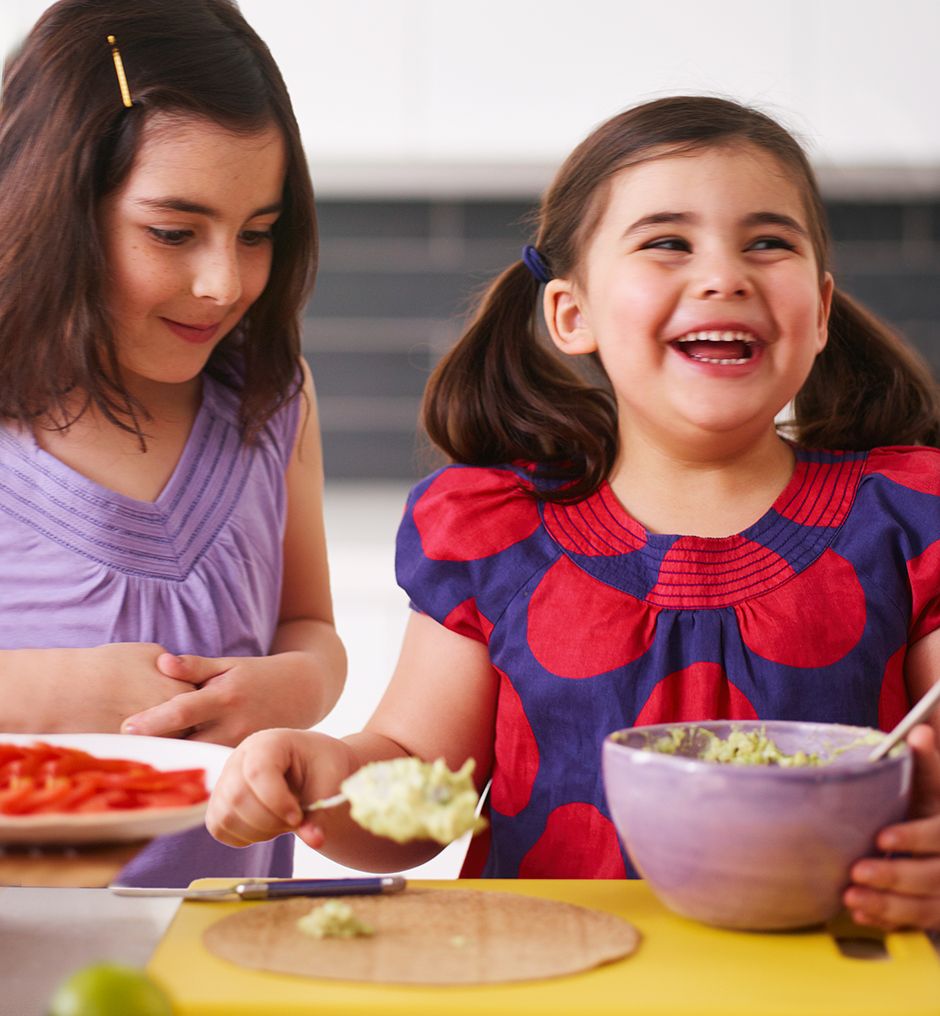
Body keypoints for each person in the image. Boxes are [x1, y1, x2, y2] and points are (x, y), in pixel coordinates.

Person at [206, 96, 940, 930]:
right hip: (544, 972)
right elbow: (413, 776)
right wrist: (316, 773)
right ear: (572, 314)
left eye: (769, 243)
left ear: (820, 311)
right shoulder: (499, 533)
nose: (725, 274)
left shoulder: (911, 522)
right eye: (668, 242)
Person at [0, 0, 346, 885]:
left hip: (227, 941)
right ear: (55, 207)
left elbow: (308, 627)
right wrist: (60, 697)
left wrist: (296, 688)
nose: (224, 282)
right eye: (172, 232)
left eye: (258, 234)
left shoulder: (273, 401)